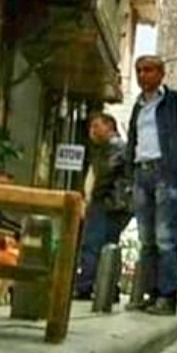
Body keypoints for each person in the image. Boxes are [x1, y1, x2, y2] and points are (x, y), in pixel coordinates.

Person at [125, 55, 177, 316]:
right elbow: (133, 140)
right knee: (146, 239)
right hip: (142, 173)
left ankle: (167, 296)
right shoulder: (138, 107)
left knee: (166, 238)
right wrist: (131, 173)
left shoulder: (176, 101)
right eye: (138, 71)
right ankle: (149, 294)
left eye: (148, 70)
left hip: (166, 174)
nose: (142, 75)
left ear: (161, 73)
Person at [74, 113, 132, 301]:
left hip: (107, 202)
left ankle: (85, 284)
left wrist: (91, 199)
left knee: (93, 244)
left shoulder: (113, 147)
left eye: (97, 126)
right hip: (116, 204)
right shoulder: (109, 148)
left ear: (109, 126)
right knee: (109, 245)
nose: (93, 130)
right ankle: (108, 288)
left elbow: (106, 173)